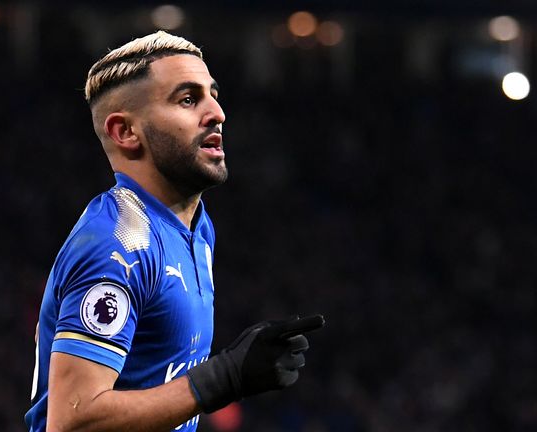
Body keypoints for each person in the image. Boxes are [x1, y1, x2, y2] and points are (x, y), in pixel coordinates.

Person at [24, 31, 325, 432]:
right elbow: (73, 421)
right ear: (126, 132)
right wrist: (224, 378)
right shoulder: (118, 243)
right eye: (188, 99)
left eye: (212, 94)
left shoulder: (197, 229)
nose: (217, 112)